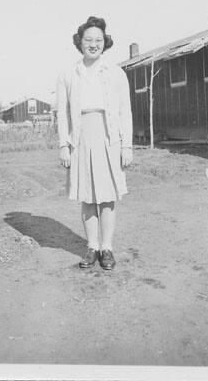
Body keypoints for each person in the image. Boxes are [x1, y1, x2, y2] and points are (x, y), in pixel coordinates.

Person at [56, 16, 133, 270]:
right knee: (87, 197)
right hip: (81, 137)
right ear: (80, 42)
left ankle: (107, 248)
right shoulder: (69, 74)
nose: (93, 44)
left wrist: (126, 145)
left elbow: (125, 112)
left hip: (109, 137)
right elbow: (63, 113)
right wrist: (64, 145)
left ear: (105, 42)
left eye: (98, 40)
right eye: (88, 39)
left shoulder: (116, 73)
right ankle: (92, 247)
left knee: (107, 196)